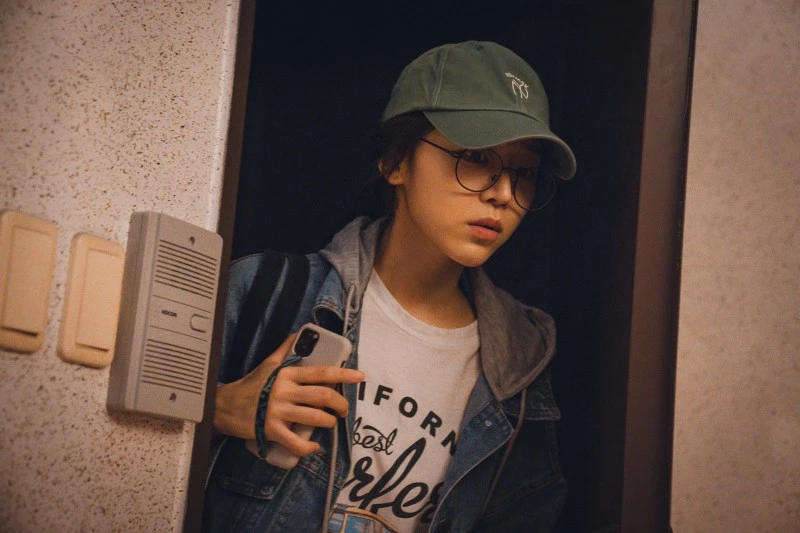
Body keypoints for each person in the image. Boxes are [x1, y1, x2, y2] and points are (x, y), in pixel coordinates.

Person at [203, 40, 577, 533]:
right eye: (474, 157)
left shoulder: (522, 361)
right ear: (395, 162)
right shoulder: (268, 290)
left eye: (523, 173)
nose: (504, 194)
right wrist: (215, 408)